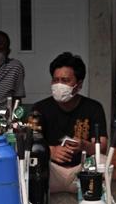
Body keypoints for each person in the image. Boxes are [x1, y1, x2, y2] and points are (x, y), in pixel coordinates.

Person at [32, 53, 108, 193]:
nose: (59, 85)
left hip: (81, 171)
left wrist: (84, 145)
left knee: (102, 162)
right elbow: (29, 145)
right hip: (51, 172)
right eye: (55, 80)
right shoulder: (39, 109)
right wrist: (50, 151)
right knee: (30, 164)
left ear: (78, 85)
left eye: (65, 80)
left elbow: (101, 147)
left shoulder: (93, 108)